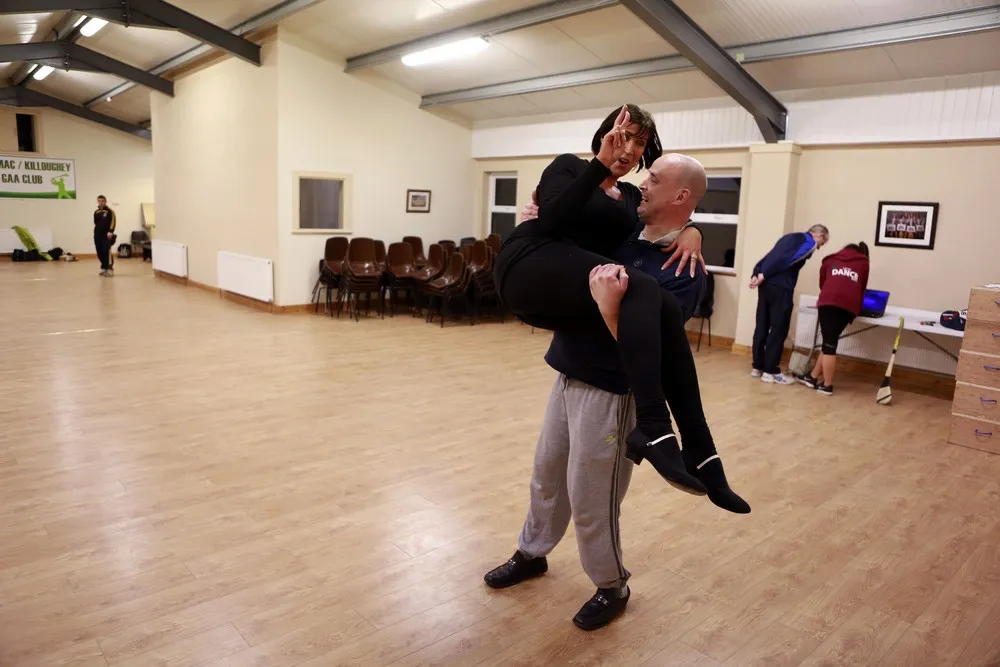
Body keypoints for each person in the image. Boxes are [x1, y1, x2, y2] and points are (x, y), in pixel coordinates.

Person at [484, 164, 749, 632]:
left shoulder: (684, 271)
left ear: (680, 196)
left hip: (612, 392)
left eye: (655, 180)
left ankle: (612, 584)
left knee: (593, 496)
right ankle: (532, 551)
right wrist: (536, 220)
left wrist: (611, 309)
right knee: (547, 476)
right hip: (568, 373)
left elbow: (656, 351)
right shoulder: (622, 235)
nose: (641, 184)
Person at [494, 104, 714, 497]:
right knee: (647, 290)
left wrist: (692, 229)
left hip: (583, 358)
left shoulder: (629, 198)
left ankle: (693, 446)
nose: (628, 149)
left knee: (558, 484)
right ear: (604, 134)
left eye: (639, 143)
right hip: (528, 262)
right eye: (622, 136)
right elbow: (551, 219)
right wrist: (599, 164)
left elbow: (659, 217)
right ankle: (668, 433)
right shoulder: (569, 167)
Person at [748, 224, 829, 384]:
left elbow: (770, 256)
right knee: (779, 328)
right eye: (822, 242)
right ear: (819, 236)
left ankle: (757, 367)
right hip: (781, 288)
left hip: (766, 286)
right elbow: (786, 259)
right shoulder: (808, 242)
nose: (819, 247)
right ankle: (770, 371)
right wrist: (764, 274)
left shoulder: (789, 237)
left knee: (762, 325)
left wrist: (756, 273)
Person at [797, 242, 870, 396]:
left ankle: (828, 385)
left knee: (830, 345)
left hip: (828, 303)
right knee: (829, 342)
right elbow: (862, 287)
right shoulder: (864, 262)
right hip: (848, 307)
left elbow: (823, 284)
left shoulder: (830, 260)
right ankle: (812, 377)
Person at [93, 195, 116, 277]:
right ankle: (104, 268)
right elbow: (96, 223)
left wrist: (110, 231)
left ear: (105, 201)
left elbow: (113, 222)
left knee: (106, 251)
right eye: (99, 201)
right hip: (97, 235)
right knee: (99, 252)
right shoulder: (96, 212)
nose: (101, 202)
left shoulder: (110, 211)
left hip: (106, 235)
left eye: (102, 201)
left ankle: (110, 269)